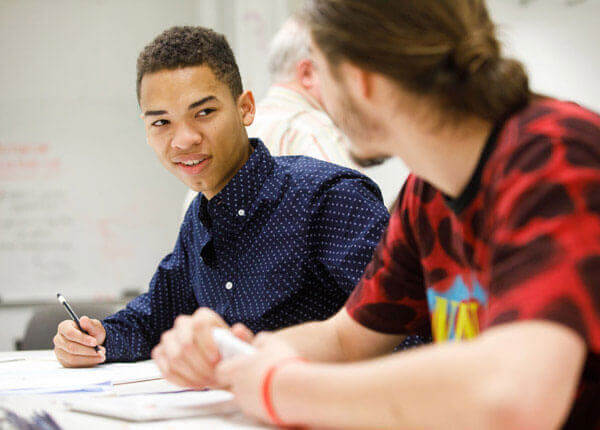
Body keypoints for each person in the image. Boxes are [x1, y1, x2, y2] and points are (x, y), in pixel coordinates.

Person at [156, 1, 600, 428]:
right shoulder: (426, 193)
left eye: (321, 72)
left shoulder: (554, 155)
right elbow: (347, 339)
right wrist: (237, 354)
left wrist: (285, 389)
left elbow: (515, 397)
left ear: (359, 80)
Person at [52, 26, 389, 369]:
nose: (183, 140)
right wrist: (95, 338)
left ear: (245, 109)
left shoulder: (329, 199)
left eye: (204, 113)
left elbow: (409, 336)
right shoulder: (200, 218)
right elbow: (153, 318)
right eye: (161, 123)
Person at [181, 14, 368, 214]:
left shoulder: (225, 133)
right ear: (307, 73)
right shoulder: (315, 133)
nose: (359, 88)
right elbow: (362, 232)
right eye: (348, 72)